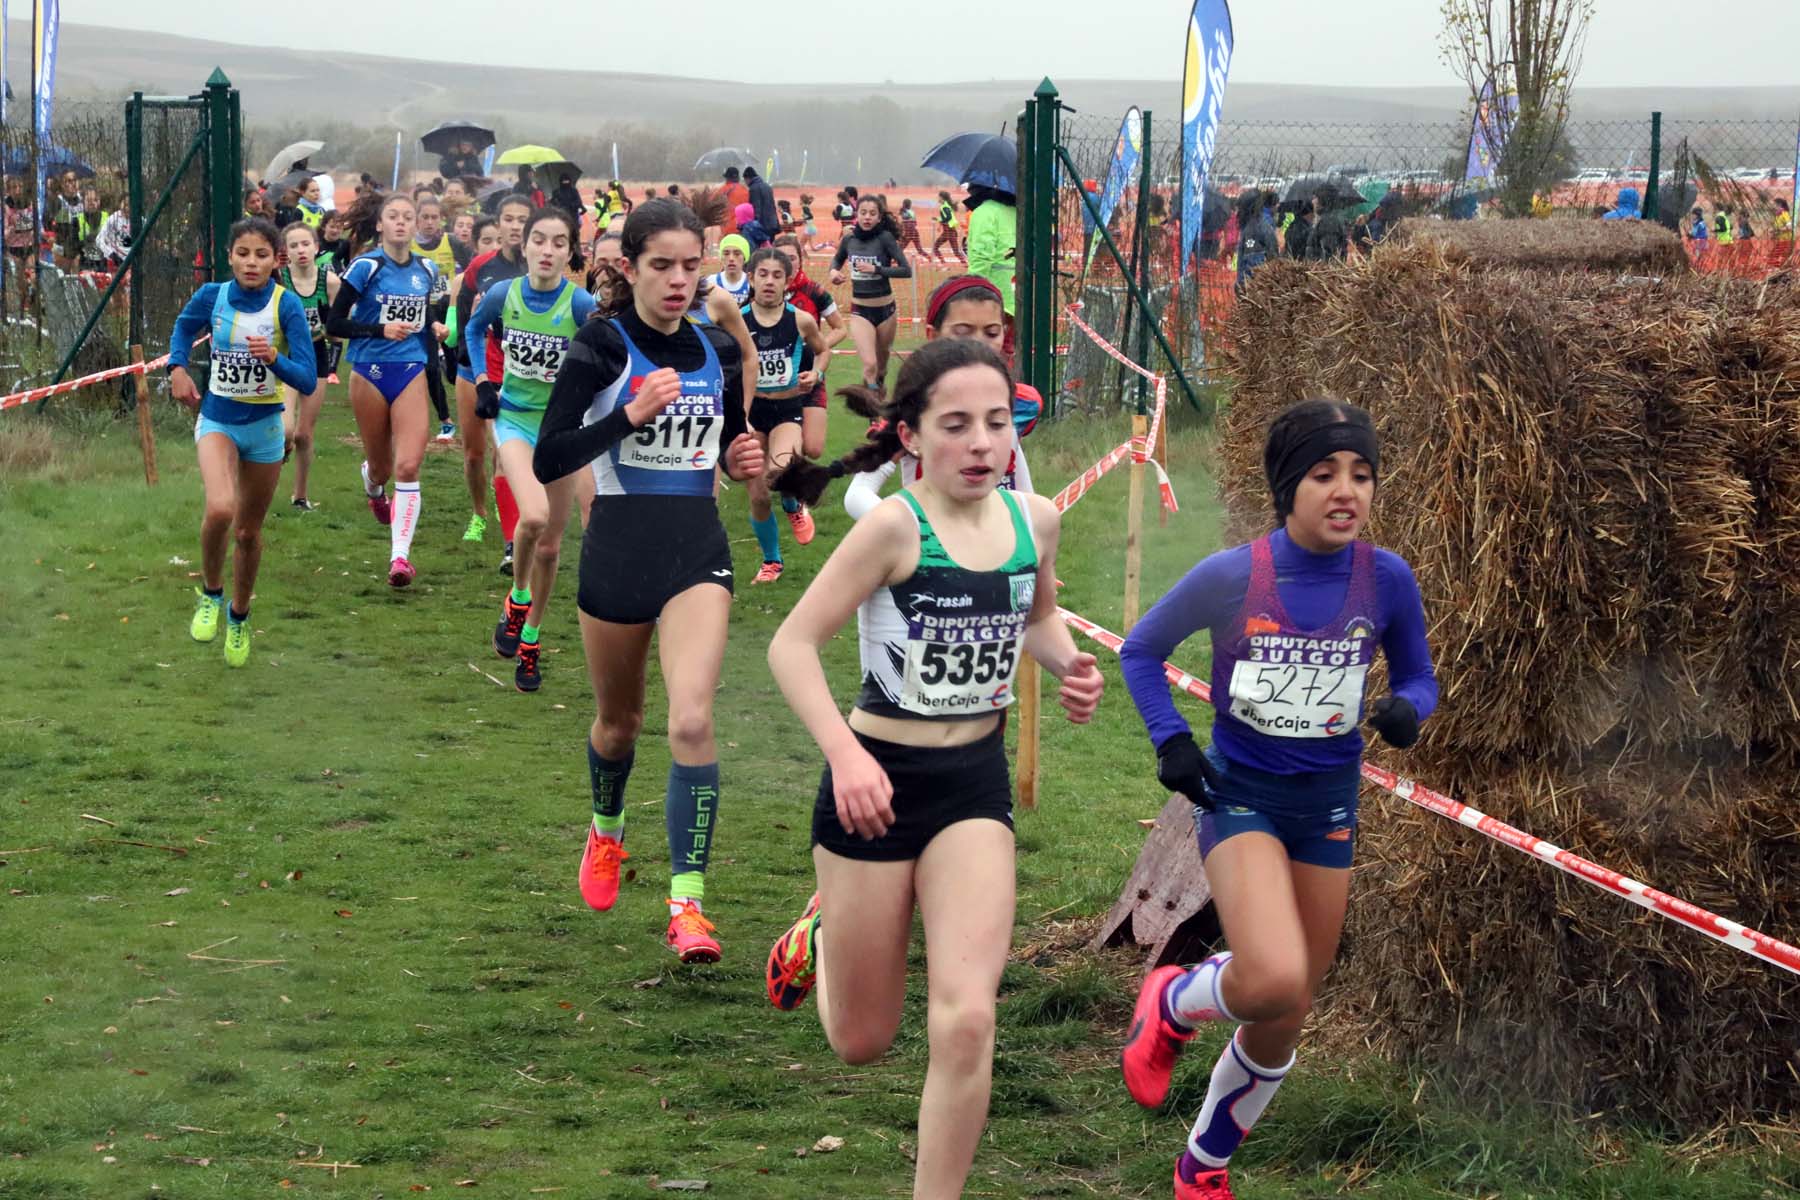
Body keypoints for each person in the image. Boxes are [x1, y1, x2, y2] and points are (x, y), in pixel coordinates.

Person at [762, 337, 1104, 1200]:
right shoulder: (891, 528)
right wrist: (845, 758)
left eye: (998, 423)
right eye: (957, 426)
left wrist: (1070, 666)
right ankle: (823, 932)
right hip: (874, 784)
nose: (983, 443)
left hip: (972, 791)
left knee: (967, 1018)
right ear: (911, 436)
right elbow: (792, 645)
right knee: (862, 1042)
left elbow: (1036, 616)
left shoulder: (1036, 521)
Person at [1115, 399, 1437, 1200]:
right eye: (1325, 473)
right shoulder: (1235, 576)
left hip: (1327, 806)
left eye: (1361, 475)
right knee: (1271, 975)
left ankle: (1204, 1169)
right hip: (1240, 797)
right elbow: (1142, 650)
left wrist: (1409, 711)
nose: (1346, 491)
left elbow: (1420, 676)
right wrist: (1172, 741)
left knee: (1285, 1008)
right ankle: (1173, 1001)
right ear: (1287, 486)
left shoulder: (1386, 578)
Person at [531, 198, 765, 962]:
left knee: (691, 722)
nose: (677, 280)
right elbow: (550, 458)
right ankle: (606, 831)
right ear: (628, 267)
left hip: (697, 550)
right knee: (620, 724)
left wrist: (744, 458)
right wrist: (628, 416)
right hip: (619, 553)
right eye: (661, 265)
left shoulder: (715, 348)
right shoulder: (600, 345)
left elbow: (730, 440)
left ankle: (688, 904)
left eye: (690, 265)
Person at [166, 218, 317, 667]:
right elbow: (182, 328)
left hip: (266, 429)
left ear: (277, 261)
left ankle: (239, 613)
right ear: (230, 256)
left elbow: (307, 377)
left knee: (249, 533)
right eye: (243, 254)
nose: (252, 263)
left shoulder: (285, 305)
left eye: (262, 255)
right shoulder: (211, 296)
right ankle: (211, 593)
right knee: (220, 509)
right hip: (218, 419)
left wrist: (274, 360)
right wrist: (176, 367)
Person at [465, 207, 597, 692]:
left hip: (560, 428)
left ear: (569, 251)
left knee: (551, 545)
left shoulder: (581, 305)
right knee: (535, 516)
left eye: (558, 242)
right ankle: (516, 598)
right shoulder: (504, 293)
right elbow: (473, 329)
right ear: (525, 246)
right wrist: (483, 381)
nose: (546, 250)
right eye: (538, 239)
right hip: (515, 419)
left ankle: (532, 640)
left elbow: (608, 354)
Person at [824, 276, 1039, 521]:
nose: (979, 343)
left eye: (991, 332)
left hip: (1003, 550)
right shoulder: (913, 410)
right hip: (936, 556)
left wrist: (1028, 533)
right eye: (963, 332)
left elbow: (1017, 475)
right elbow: (858, 494)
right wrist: (921, 532)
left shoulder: (1023, 403)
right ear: (933, 334)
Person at [325, 192, 441, 588]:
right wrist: (379, 330)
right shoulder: (366, 267)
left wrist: (436, 328)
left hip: (410, 369)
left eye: (408, 217)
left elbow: (426, 321)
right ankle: (372, 484)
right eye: (393, 216)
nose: (402, 222)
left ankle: (400, 558)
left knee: (408, 466)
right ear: (379, 224)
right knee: (383, 467)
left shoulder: (427, 269)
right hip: (369, 372)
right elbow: (335, 324)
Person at [452, 194, 535, 570]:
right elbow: (465, 315)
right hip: (475, 368)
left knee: (506, 456)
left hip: (516, 374)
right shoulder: (480, 267)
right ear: (497, 224)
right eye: (509, 219)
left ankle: (510, 542)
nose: (516, 226)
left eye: (523, 219)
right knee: (474, 454)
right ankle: (479, 511)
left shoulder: (541, 266)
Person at [740, 247, 829, 585]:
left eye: (777, 275)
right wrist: (740, 413)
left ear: (788, 282)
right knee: (759, 494)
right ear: (751, 278)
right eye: (762, 274)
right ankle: (772, 561)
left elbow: (823, 351)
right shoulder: (738, 320)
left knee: (779, 470)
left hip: (787, 409)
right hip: (752, 410)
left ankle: (792, 504)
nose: (769, 281)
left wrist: (816, 374)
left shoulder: (800, 320)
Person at [276, 222, 339, 511]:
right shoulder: (280, 279)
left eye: (305, 244)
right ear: (285, 252)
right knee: (287, 430)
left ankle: (299, 496)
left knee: (304, 434)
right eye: (293, 246)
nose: (300, 250)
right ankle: (276, 456)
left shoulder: (331, 281)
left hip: (316, 355)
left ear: (316, 247)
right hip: (288, 355)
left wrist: (334, 364)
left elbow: (337, 330)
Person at [773, 231, 848, 462]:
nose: (789, 263)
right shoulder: (763, 291)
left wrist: (817, 347)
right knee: (780, 444)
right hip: (776, 379)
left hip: (810, 374)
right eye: (782, 258)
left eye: (793, 258)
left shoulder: (815, 292)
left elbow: (840, 328)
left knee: (813, 448)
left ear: (800, 259)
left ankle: (791, 473)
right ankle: (792, 489)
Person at [830, 195, 912, 389]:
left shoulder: (885, 238)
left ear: (879, 217)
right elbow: (837, 260)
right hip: (860, 310)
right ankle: (872, 416)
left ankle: (878, 403)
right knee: (870, 364)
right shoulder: (849, 238)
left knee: (881, 369)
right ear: (856, 215)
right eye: (863, 213)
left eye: (872, 213)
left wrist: (877, 269)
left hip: (886, 311)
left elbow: (906, 270)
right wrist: (833, 272)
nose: (867, 217)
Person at [412, 195, 461, 442]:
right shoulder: (410, 246)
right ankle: (446, 421)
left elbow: (473, 264)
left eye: (435, 217)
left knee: (453, 374)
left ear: (441, 219)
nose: (430, 222)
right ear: (417, 219)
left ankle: (446, 362)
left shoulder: (451, 242)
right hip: (424, 313)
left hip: (449, 310)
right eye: (425, 217)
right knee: (430, 368)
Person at [964, 186, 1016, 332]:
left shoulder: (985, 212)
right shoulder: (1015, 209)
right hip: (1015, 293)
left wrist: (972, 291)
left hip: (992, 295)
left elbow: (981, 255)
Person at [1233, 190, 1277, 296]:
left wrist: (1243, 286)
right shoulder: (1261, 224)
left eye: (1239, 208)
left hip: (1254, 291)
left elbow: (1254, 264)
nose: (1236, 212)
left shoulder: (1252, 230)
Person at [709, 233, 753, 306]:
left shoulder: (751, 283)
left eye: (737, 254)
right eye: (726, 254)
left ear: (745, 257)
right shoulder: (711, 282)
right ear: (721, 257)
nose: (731, 258)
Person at [744, 164, 778, 231]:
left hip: (762, 225)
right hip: (772, 223)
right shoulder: (767, 186)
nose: (745, 182)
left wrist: (755, 225)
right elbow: (772, 206)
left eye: (745, 180)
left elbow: (756, 208)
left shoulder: (753, 189)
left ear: (748, 178)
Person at [932, 190, 961, 261]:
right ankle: (966, 263)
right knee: (956, 252)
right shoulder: (945, 206)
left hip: (948, 231)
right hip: (951, 230)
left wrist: (939, 220)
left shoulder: (944, 207)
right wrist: (938, 221)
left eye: (938, 197)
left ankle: (942, 262)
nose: (937, 199)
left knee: (935, 247)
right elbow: (945, 217)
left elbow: (948, 217)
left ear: (942, 198)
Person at [721, 167, 750, 234]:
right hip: (742, 228)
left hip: (727, 229)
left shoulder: (722, 190)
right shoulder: (745, 190)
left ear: (727, 178)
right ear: (738, 178)